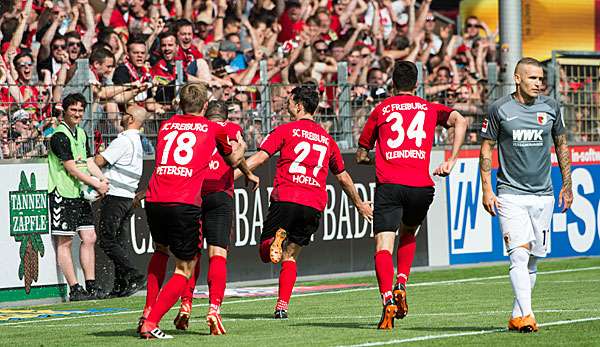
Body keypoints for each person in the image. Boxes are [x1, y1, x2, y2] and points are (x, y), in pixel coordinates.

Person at [239, 86, 373, 319]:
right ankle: (282, 306)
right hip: (313, 203)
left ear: (299, 105)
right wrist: (360, 204)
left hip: (287, 197)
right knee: (290, 256)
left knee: (265, 251)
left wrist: (229, 177)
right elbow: (343, 177)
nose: (287, 105)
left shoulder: (285, 130)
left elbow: (259, 158)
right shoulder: (327, 140)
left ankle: (274, 241)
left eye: (290, 102)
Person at [137, 83, 257, 339]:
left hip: (155, 197)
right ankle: (153, 323)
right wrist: (242, 147)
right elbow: (233, 160)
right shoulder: (214, 127)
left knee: (160, 252)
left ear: (179, 104)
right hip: (185, 201)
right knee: (185, 268)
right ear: (204, 106)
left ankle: (147, 311)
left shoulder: (166, 126)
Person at [356, 60, 468, 329]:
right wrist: (451, 159)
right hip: (421, 186)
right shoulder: (428, 108)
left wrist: (379, 158)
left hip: (390, 185)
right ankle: (402, 283)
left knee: (383, 246)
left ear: (392, 83)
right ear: (417, 85)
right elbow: (460, 120)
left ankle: (387, 300)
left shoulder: (381, 110)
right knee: (409, 233)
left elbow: (361, 155)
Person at [479, 57, 572, 333]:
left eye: (541, 78)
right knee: (518, 256)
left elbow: (562, 146)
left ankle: (517, 315)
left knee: (533, 259)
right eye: (532, 78)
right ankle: (529, 316)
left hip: (543, 195)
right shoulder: (499, 109)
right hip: (510, 194)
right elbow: (486, 150)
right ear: (517, 79)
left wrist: (567, 184)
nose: (539, 83)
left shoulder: (551, 107)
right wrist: (486, 189)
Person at [173, 100, 256, 335]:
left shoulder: (195, 127)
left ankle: (186, 305)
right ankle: (213, 309)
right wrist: (249, 174)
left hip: (194, 194)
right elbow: (236, 157)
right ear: (226, 116)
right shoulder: (230, 129)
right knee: (218, 253)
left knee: (190, 255)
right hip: (220, 194)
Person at [47, 93, 110, 301]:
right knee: (64, 242)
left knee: (89, 237)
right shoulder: (59, 136)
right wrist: (95, 183)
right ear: (64, 111)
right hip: (63, 192)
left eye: (80, 110)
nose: (77, 114)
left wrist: (103, 180)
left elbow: (89, 161)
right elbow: (71, 168)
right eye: (73, 110)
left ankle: (90, 285)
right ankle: (75, 289)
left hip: (80, 193)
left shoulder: (81, 133)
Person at [94, 105, 148, 298]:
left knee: (107, 240)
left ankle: (134, 274)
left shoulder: (124, 140)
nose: (121, 116)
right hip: (127, 196)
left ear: (131, 118)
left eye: (125, 113)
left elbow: (100, 161)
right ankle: (120, 284)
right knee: (118, 241)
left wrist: (89, 158)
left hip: (116, 195)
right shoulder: (137, 141)